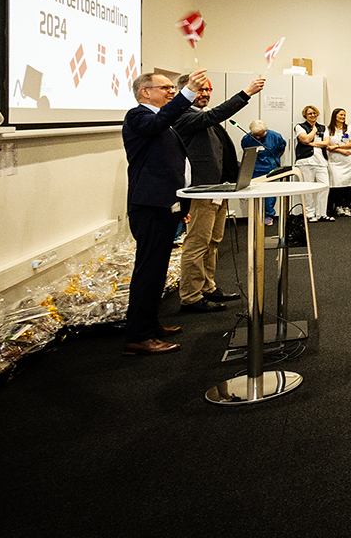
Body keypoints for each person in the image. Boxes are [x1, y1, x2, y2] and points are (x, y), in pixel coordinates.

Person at [120, 69, 211, 355]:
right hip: (149, 205)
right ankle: (138, 335)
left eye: (174, 88)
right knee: (148, 270)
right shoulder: (138, 116)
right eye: (165, 88)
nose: (171, 91)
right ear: (144, 91)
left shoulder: (162, 120)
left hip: (164, 204)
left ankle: (149, 323)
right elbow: (158, 123)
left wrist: (181, 205)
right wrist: (187, 93)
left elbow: (174, 164)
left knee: (157, 270)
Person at [173, 75, 262, 313]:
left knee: (213, 241)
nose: (204, 94)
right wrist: (246, 93)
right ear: (186, 91)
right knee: (197, 244)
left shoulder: (203, 116)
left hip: (219, 189)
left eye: (207, 90)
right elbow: (214, 116)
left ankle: (207, 287)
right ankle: (191, 296)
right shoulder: (182, 115)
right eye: (199, 90)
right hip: (201, 192)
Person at [240, 120, 286, 225]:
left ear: (265, 130)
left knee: (270, 195)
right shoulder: (247, 138)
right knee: (254, 193)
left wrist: (273, 160)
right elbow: (246, 150)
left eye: (260, 135)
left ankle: (268, 215)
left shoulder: (275, 136)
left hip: (270, 169)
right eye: (255, 135)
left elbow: (281, 149)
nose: (257, 138)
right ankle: (255, 215)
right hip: (255, 169)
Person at [296, 105, 332, 222]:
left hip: (321, 162)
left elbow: (326, 143)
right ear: (305, 116)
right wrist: (314, 131)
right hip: (306, 162)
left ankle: (321, 213)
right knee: (308, 188)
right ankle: (309, 214)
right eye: (310, 113)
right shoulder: (299, 127)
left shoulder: (323, 128)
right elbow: (304, 139)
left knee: (324, 186)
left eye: (314, 113)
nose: (313, 115)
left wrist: (310, 143)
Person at [325, 107, 351, 218]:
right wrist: (340, 150)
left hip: (349, 161)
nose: (343, 117)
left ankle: (347, 207)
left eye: (344, 115)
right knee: (337, 184)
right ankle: (339, 206)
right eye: (341, 115)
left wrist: (337, 146)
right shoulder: (328, 129)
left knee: (349, 184)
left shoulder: (349, 129)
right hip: (335, 162)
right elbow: (328, 146)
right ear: (335, 116)